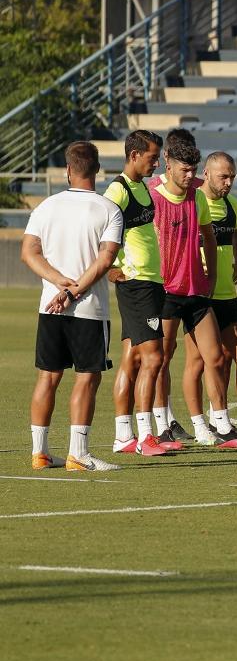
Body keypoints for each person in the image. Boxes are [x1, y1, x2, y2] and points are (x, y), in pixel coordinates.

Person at [23, 142, 123, 471]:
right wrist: (74, 289)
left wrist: (58, 283)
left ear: (68, 169)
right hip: (89, 311)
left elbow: (30, 253)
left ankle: (40, 453)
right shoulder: (108, 209)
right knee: (86, 378)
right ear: (97, 170)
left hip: (49, 307)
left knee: (47, 378)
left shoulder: (45, 207)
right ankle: (78, 454)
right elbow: (105, 260)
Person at [148, 129, 236, 450]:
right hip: (167, 292)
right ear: (167, 167)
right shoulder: (154, 198)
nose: (190, 177)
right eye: (184, 170)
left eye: (192, 170)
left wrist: (210, 277)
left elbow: (209, 239)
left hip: (197, 291)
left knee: (215, 357)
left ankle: (215, 425)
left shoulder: (197, 197)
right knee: (162, 358)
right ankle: (164, 423)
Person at [181, 152, 237, 447]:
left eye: (232, 177)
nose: (229, 182)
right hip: (200, 296)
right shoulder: (192, 203)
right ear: (207, 174)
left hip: (228, 295)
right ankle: (204, 424)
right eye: (224, 176)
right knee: (200, 362)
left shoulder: (231, 204)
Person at [105, 130, 169, 457]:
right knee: (154, 356)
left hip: (150, 282)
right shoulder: (117, 190)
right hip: (136, 284)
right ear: (134, 155)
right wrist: (111, 268)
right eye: (152, 157)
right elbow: (98, 229)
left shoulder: (141, 186)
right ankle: (146, 436)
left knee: (132, 358)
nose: (156, 164)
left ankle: (123, 436)